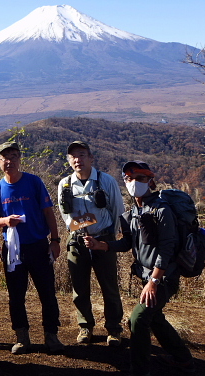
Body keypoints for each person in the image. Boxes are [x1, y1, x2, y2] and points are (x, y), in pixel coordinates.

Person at [93, 161, 194, 376]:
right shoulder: (133, 213)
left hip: (163, 277)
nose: (134, 182)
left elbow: (167, 248)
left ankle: (139, 370)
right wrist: (103, 245)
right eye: (130, 178)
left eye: (140, 178)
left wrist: (154, 281)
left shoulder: (161, 209)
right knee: (154, 318)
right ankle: (183, 358)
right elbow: (127, 243)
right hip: (146, 276)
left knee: (137, 319)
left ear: (150, 180)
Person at [0, 141, 65, 354]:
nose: (9, 161)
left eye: (13, 156)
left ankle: (51, 335)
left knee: (47, 292)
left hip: (38, 246)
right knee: (16, 295)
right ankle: (22, 337)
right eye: (4, 158)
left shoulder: (33, 182)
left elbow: (48, 212)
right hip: (12, 250)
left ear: (19, 159)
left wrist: (55, 241)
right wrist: (5, 221)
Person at [57, 141, 125, 346]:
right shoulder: (65, 184)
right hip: (78, 242)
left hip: (104, 240)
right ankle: (85, 326)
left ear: (91, 158)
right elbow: (65, 216)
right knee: (79, 287)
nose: (78, 159)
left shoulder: (106, 181)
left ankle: (114, 330)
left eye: (82, 155)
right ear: (69, 161)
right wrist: (79, 231)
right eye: (73, 156)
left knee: (109, 287)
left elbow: (118, 211)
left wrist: (108, 240)